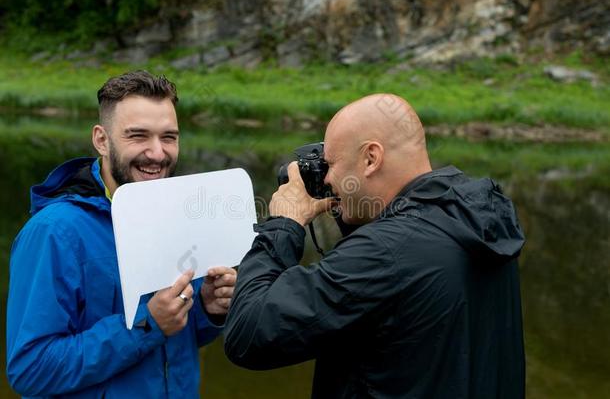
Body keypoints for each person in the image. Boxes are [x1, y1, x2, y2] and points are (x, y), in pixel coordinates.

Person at [224, 94, 525, 398]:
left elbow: (248, 334)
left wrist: (283, 224)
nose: (326, 177)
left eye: (330, 164)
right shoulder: (478, 219)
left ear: (371, 158)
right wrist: (352, 213)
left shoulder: (384, 252)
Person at [6, 71, 236, 398]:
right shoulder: (53, 232)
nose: (157, 153)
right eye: (138, 136)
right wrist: (146, 325)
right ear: (101, 139)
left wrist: (207, 308)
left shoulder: (177, 214)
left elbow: (175, 337)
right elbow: (31, 369)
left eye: (169, 137)